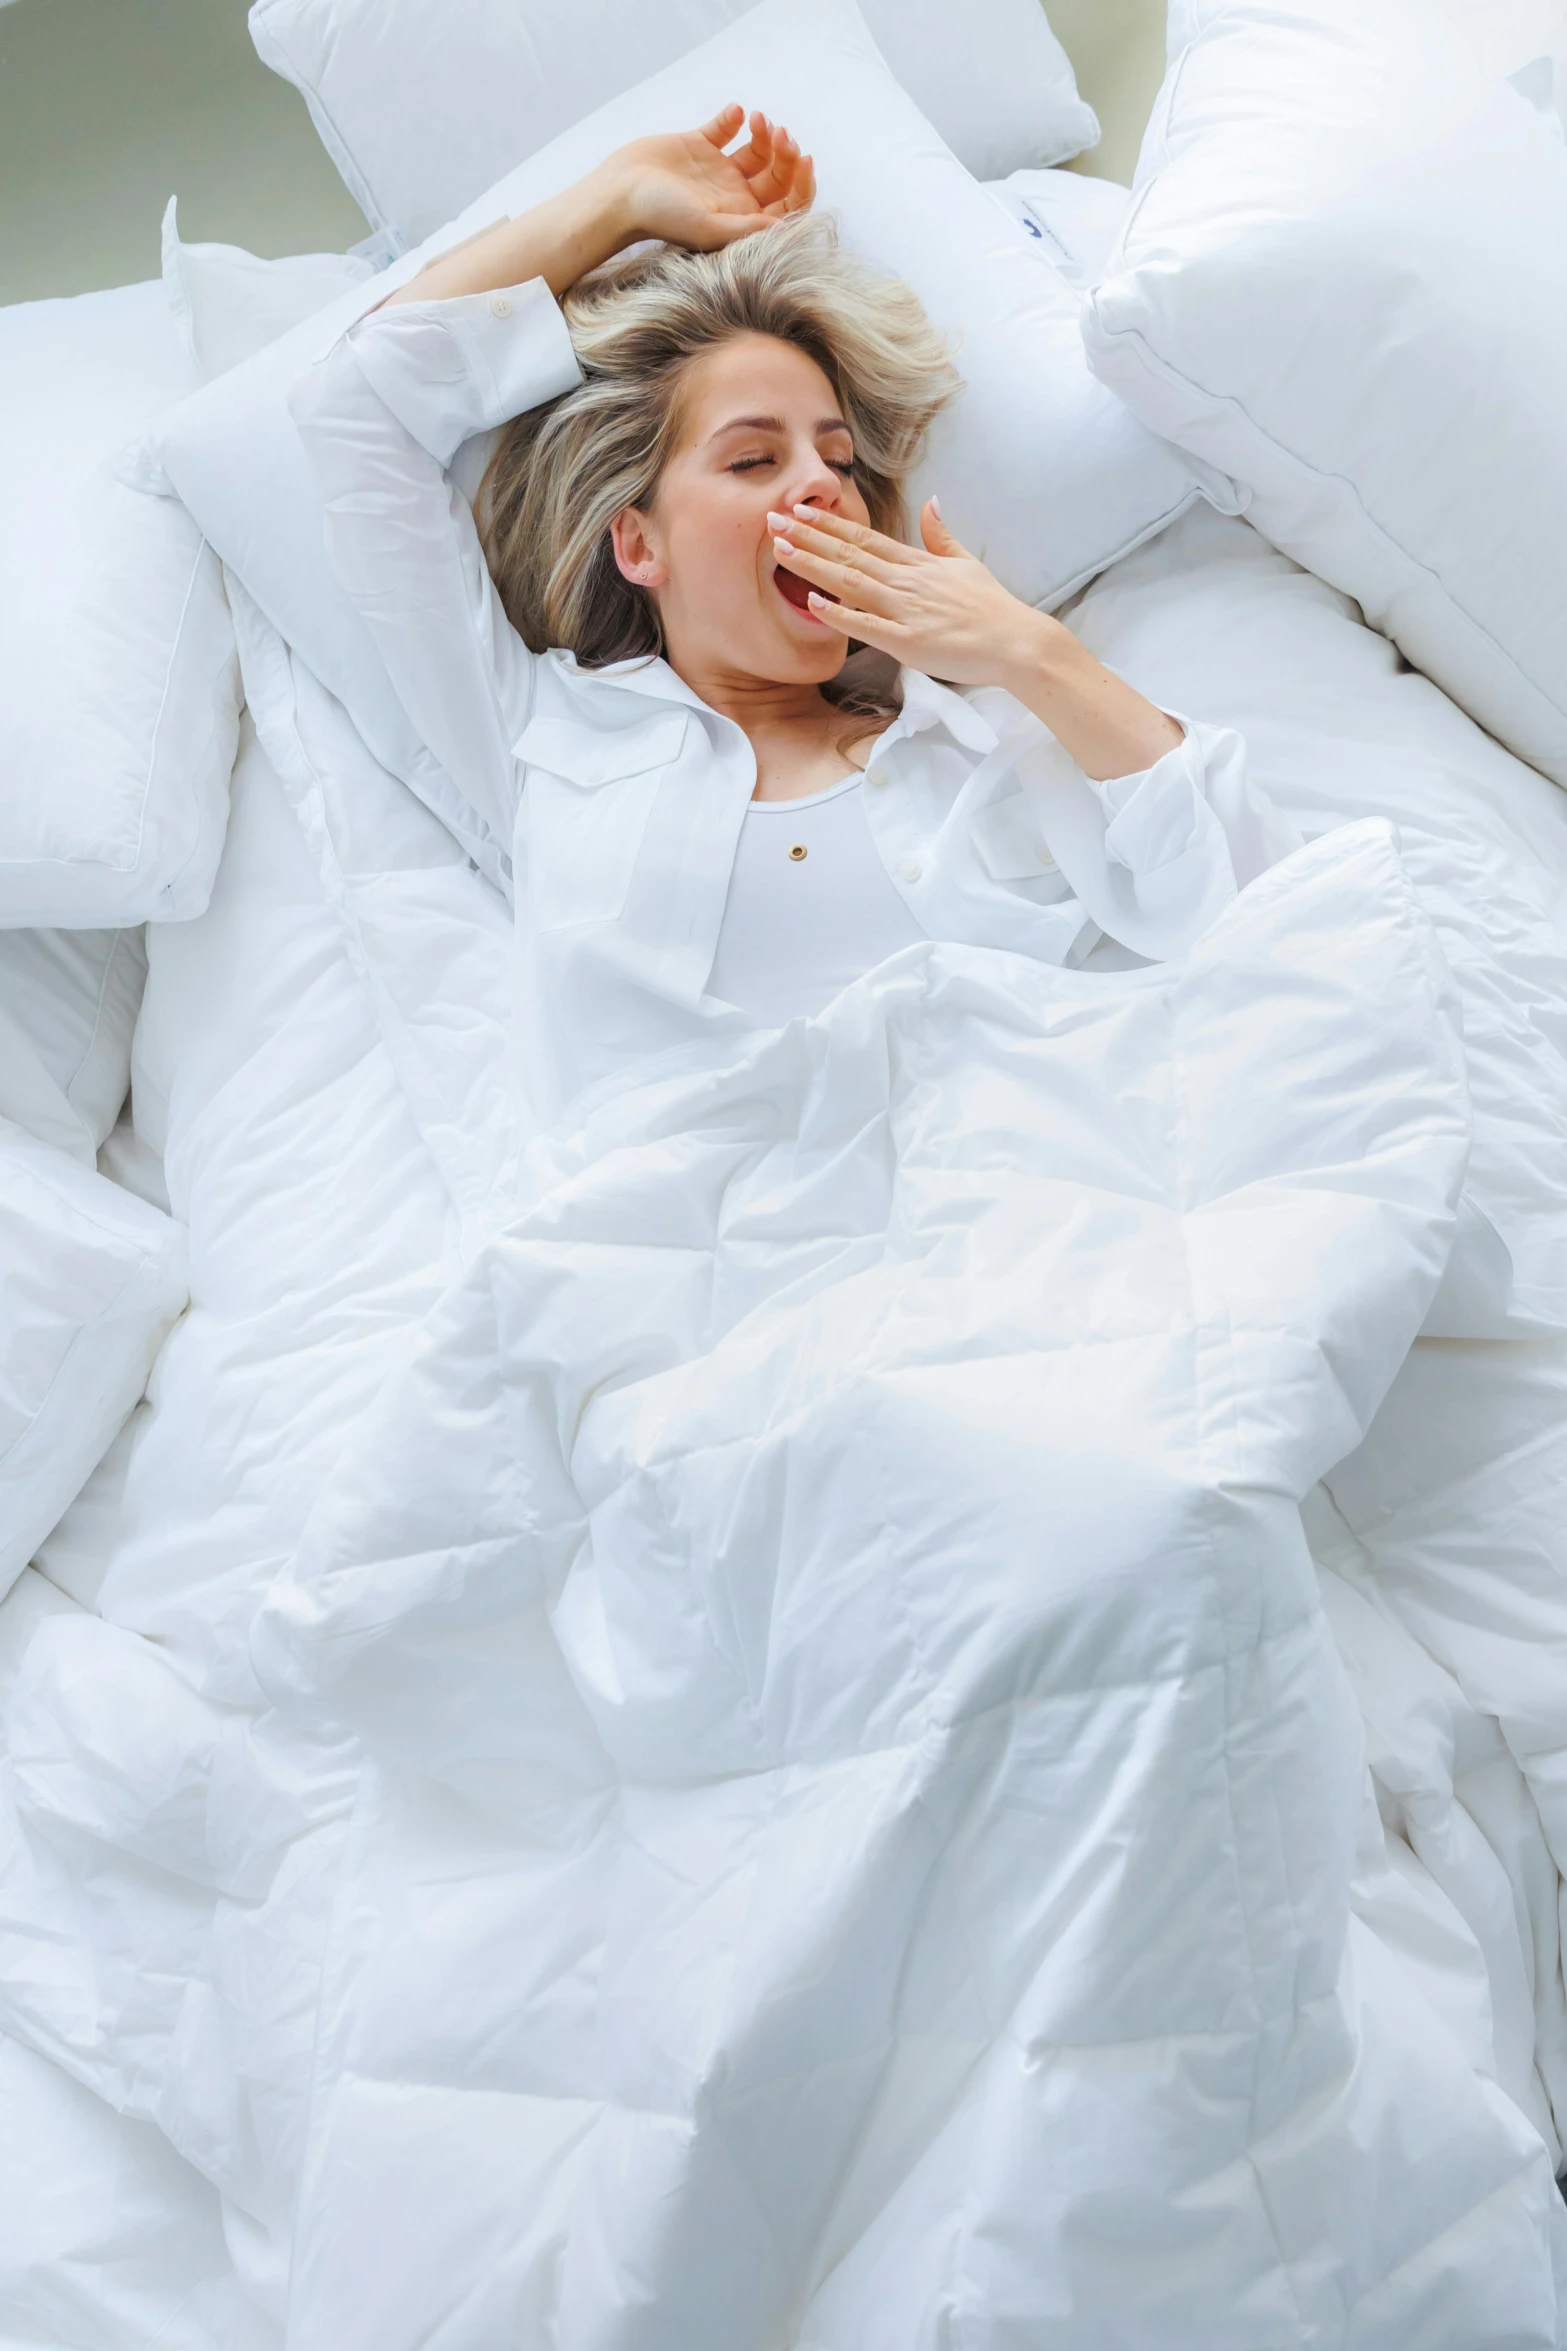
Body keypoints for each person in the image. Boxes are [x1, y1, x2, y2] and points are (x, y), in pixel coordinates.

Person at [290, 105, 1295, 1114]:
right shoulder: (541, 739)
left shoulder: (973, 734)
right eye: (753, 458)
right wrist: (617, 198)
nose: (820, 484)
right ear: (638, 542)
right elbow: (356, 408)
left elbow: (1267, 921)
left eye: (838, 459)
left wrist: (1034, 656)